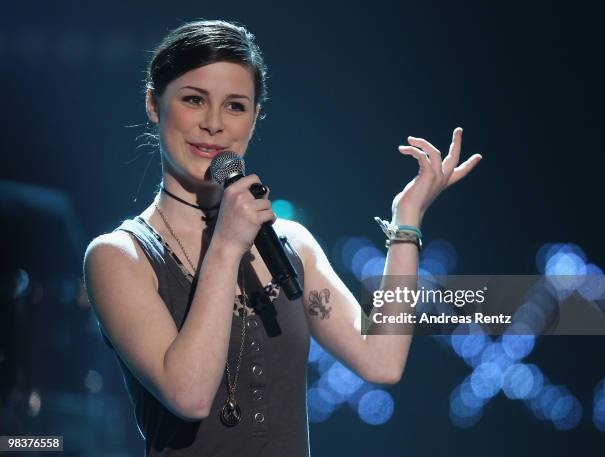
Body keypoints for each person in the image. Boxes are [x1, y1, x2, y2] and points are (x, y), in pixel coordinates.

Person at [82, 19, 481, 457]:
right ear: (154, 105)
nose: (213, 124)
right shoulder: (119, 257)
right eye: (194, 100)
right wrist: (227, 245)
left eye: (235, 106)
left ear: (254, 121)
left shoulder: (291, 244)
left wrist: (407, 222)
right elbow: (190, 395)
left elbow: (381, 360)